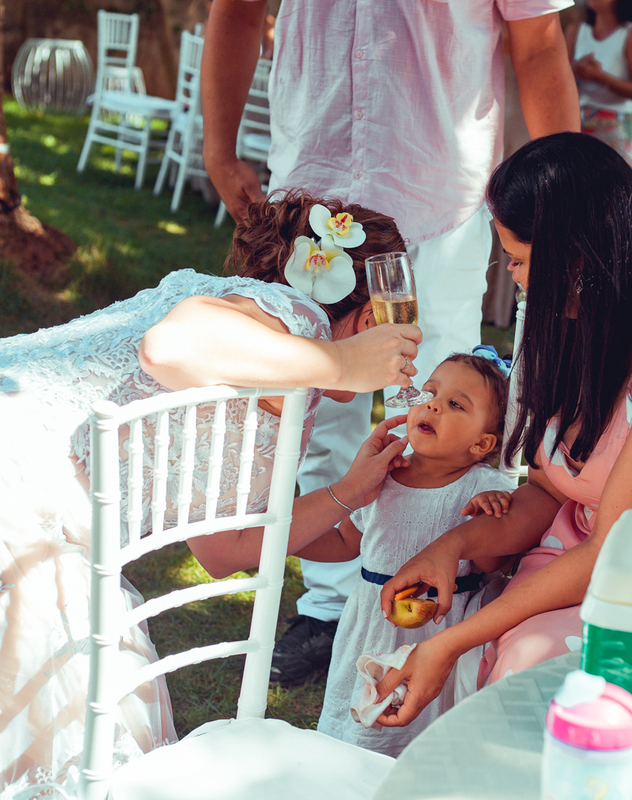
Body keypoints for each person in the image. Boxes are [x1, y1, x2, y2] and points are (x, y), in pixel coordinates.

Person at [0, 189, 419, 799]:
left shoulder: (251, 328)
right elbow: (169, 348)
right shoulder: (300, 321)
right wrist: (340, 364)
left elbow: (223, 548)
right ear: (371, 317)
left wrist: (352, 499)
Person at [200, 0, 580, 688]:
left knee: (449, 405)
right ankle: (327, 607)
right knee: (317, 410)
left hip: (439, 199)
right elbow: (237, 10)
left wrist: (564, 201)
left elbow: (538, 42)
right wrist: (219, 152)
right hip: (314, 198)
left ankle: (441, 591)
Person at [370, 132, 632, 728]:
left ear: (575, 254)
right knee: (482, 629)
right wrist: (452, 547)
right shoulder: (571, 323)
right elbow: (548, 489)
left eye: (519, 259)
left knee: (528, 663)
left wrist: (451, 643)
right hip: (582, 554)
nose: (513, 276)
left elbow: (622, 549)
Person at [290, 351, 515, 756]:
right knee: (360, 720)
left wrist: (488, 515)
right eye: (428, 393)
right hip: (371, 621)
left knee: (424, 725)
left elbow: (492, 566)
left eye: (455, 404)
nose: (432, 405)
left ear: (481, 443)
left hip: (439, 627)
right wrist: (281, 540)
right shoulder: (383, 473)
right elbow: (344, 543)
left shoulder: (483, 487)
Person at [565, 0, 632, 163]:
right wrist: (575, 69)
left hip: (616, 126)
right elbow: (561, 79)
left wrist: (600, 77)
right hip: (576, 121)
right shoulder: (575, 30)